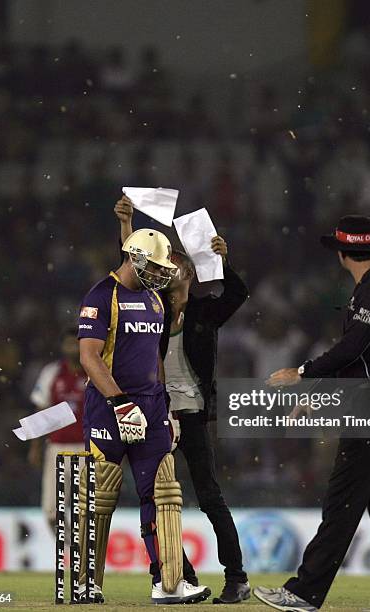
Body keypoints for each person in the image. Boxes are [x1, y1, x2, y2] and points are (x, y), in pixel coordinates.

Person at [254, 215, 370, 612]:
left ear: (342, 253)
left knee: (343, 500)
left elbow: (351, 350)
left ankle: (305, 591)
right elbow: (357, 358)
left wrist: (301, 373)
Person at [116, 195, 251, 604]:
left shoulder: (204, 313)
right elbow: (130, 275)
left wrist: (224, 260)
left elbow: (238, 294)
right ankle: (178, 574)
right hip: (158, 416)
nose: (165, 268)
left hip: (190, 416)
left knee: (209, 496)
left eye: (173, 263)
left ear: (188, 272)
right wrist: (126, 226)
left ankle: (237, 578)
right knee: (156, 499)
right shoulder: (151, 307)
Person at [77, 228, 210, 605]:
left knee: (164, 492)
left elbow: (155, 358)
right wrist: (120, 402)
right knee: (99, 495)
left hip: (151, 409)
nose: (159, 273)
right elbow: (89, 357)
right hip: (109, 408)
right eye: (152, 265)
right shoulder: (102, 295)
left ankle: (168, 583)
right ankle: (86, 581)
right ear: (133, 257)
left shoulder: (154, 299)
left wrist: (166, 407)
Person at [28, 327, 86, 533]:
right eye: (69, 343)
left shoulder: (94, 371)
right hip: (57, 448)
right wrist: (35, 447)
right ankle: (70, 548)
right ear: (62, 346)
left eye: (76, 343)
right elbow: (41, 408)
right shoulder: (51, 372)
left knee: (86, 509)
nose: (73, 347)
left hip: (87, 449)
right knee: (51, 510)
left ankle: (82, 553)